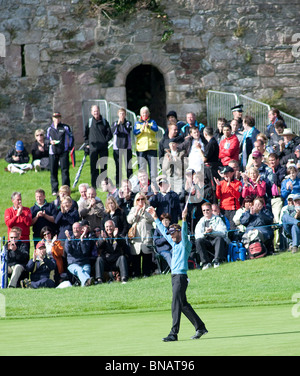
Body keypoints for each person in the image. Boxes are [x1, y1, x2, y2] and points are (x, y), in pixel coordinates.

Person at [148, 204, 208, 342]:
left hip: (181, 277)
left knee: (175, 304)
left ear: (179, 232)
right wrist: (156, 217)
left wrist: (184, 218)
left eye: (173, 232)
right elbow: (163, 231)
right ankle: (200, 327)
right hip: (174, 277)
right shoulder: (174, 243)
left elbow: (185, 231)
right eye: (171, 233)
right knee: (183, 304)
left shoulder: (184, 243)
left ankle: (173, 333)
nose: (171, 235)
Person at [84, 105, 112, 189]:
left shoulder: (104, 122)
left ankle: (104, 184)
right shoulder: (89, 122)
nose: (96, 113)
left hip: (103, 148)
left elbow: (109, 134)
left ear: (99, 111)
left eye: (97, 111)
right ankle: (94, 185)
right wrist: (87, 143)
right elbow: (85, 135)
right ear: (92, 112)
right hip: (93, 148)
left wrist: (104, 141)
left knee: (103, 167)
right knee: (94, 167)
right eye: (94, 111)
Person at [127, 192, 154, 277]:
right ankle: (137, 274)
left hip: (146, 237)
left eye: (142, 199)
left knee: (147, 257)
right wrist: (136, 213)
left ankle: (147, 273)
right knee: (136, 258)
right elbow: (129, 220)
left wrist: (144, 212)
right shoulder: (133, 209)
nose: (140, 201)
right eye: (138, 199)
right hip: (136, 238)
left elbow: (152, 219)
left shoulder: (149, 208)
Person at [46, 112, 73, 196]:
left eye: (58, 117)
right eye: (55, 117)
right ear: (53, 118)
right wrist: (50, 142)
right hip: (53, 152)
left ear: (60, 118)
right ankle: (54, 189)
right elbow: (46, 140)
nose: (57, 119)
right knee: (53, 171)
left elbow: (71, 137)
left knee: (65, 171)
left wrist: (69, 147)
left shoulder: (65, 127)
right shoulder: (49, 129)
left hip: (63, 151)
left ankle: (66, 189)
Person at [194, 202, 228, 269]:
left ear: (211, 210)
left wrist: (213, 232)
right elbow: (197, 235)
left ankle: (217, 261)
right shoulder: (200, 222)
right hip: (206, 241)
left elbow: (223, 233)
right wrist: (205, 233)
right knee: (198, 241)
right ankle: (206, 263)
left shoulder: (218, 219)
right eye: (204, 210)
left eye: (207, 210)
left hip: (216, 241)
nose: (206, 212)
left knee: (219, 239)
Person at [95, 220, 129, 284]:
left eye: (110, 226)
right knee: (99, 259)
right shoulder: (102, 236)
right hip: (106, 261)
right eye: (107, 227)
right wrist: (103, 239)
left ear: (114, 227)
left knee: (122, 258)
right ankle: (99, 279)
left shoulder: (119, 235)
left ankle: (124, 278)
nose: (109, 228)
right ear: (105, 228)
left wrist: (116, 237)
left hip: (116, 261)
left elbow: (123, 244)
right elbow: (98, 246)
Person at [133, 106, 159, 183]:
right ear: (141, 114)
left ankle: (154, 185)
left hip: (151, 148)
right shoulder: (137, 123)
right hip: (141, 149)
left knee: (153, 169)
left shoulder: (152, 122)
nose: (145, 114)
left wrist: (149, 126)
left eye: (146, 112)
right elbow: (135, 133)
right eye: (143, 113)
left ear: (148, 113)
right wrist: (142, 129)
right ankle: (144, 185)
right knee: (142, 169)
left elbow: (156, 129)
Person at [65, 222, 94, 286]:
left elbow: (85, 252)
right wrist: (69, 241)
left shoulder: (85, 239)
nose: (75, 230)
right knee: (79, 270)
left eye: (77, 228)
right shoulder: (69, 239)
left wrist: (82, 240)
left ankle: (85, 286)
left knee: (85, 270)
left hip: (84, 263)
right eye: (74, 228)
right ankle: (88, 283)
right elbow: (69, 251)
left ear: (81, 229)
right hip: (73, 264)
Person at [214, 165, 242, 230]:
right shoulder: (221, 183)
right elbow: (218, 196)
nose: (225, 175)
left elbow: (237, 196)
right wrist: (218, 186)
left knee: (232, 227)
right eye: (224, 173)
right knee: (224, 227)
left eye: (227, 173)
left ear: (232, 173)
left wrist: (230, 187)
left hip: (233, 209)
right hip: (223, 209)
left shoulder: (238, 183)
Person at [111, 107, 133, 187]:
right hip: (117, 148)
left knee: (128, 167)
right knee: (118, 167)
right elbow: (113, 132)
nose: (122, 115)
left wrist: (122, 125)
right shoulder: (114, 123)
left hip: (127, 148)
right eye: (120, 114)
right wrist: (118, 124)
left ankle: (130, 183)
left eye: (123, 114)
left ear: (125, 115)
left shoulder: (128, 123)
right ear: (118, 114)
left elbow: (127, 131)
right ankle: (118, 184)